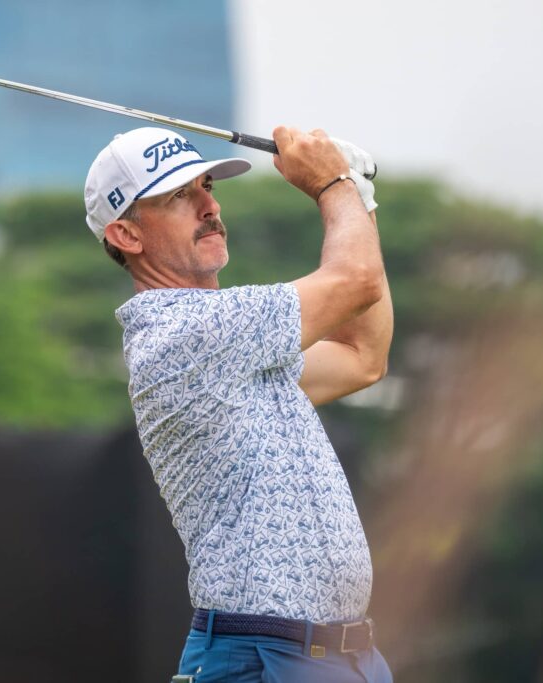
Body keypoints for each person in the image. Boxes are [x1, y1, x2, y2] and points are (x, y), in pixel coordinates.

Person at [83, 125, 393, 682]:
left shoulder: (235, 345)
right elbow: (355, 282)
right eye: (179, 196)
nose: (209, 205)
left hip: (339, 655)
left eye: (206, 185)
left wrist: (360, 200)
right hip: (265, 655)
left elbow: (362, 356)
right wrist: (335, 186)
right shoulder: (181, 333)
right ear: (127, 234)